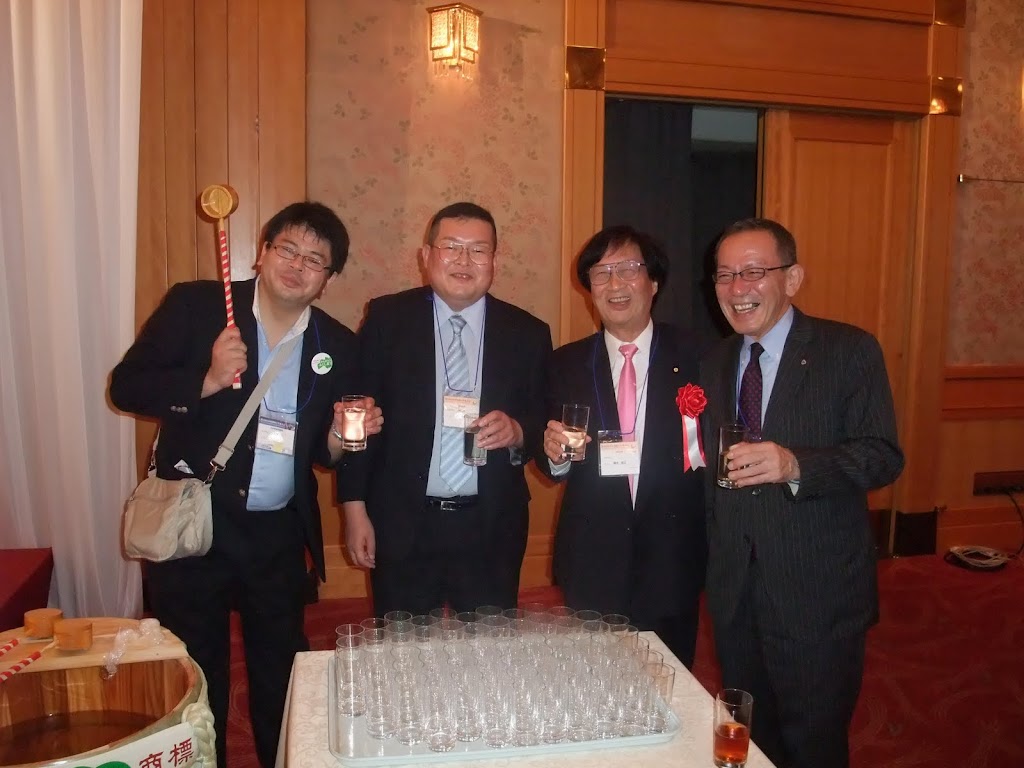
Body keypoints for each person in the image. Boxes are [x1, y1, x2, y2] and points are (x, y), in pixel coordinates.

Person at [109, 201, 381, 768]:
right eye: (288, 249)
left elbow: (324, 453)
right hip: (195, 526)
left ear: (328, 279)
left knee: (280, 671)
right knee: (196, 671)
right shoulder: (199, 306)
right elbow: (127, 386)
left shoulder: (336, 344)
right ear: (262, 252)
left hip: (276, 535)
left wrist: (341, 437)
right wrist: (206, 378)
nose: (298, 266)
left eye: (315, 260)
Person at [701, 217, 904, 768]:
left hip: (815, 590)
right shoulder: (714, 361)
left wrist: (794, 464)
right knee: (750, 738)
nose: (737, 288)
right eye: (724, 275)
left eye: (753, 272)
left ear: (792, 279)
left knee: (814, 743)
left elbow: (882, 455)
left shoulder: (848, 350)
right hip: (735, 591)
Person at [340, 201, 552, 616]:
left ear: (495, 260)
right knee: (403, 645)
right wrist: (354, 507)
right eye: (451, 247)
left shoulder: (527, 332)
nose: (464, 260)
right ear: (426, 256)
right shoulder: (387, 319)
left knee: (488, 646)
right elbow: (358, 416)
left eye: (478, 250)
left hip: (491, 524)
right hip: (403, 520)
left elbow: (542, 418)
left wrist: (518, 432)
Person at [539, 225, 707, 668]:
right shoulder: (566, 362)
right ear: (589, 289)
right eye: (601, 273)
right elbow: (551, 456)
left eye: (629, 269)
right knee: (595, 682)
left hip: (673, 554)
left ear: (654, 282)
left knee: (670, 680)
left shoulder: (698, 355)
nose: (615, 284)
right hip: (593, 555)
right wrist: (554, 454)